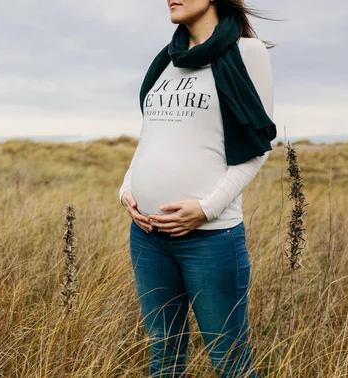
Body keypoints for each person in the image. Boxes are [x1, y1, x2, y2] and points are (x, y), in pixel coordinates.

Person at [119, 1, 276, 377]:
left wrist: (206, 208)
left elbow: (256, 148)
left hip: (210, 239)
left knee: (230, 363)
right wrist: (126, 190)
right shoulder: (167, 59)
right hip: (147, 236)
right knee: (164, 355)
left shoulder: (246, 52)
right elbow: (151, 138)